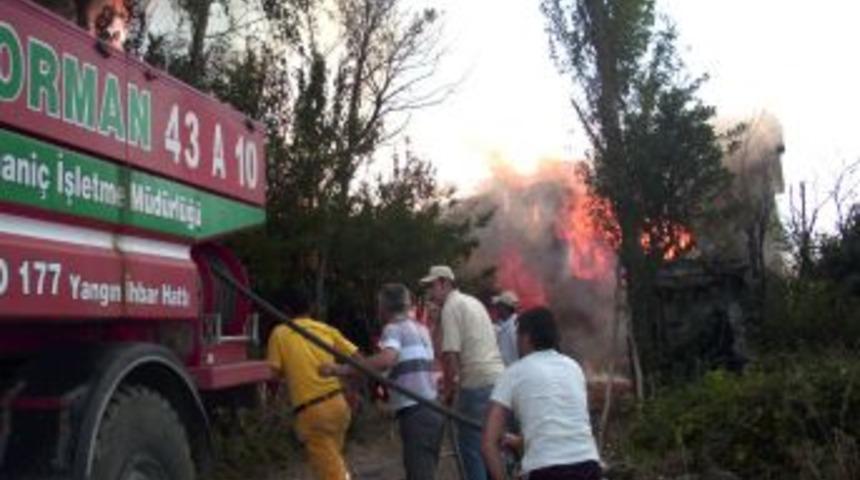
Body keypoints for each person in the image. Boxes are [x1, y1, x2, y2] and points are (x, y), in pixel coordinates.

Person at [321, 283, 445, 480]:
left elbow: (387, 359)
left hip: (416, 414)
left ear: (384, 307)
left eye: (378, 304)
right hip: (433, 410)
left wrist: (340, 369)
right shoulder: (421, 330)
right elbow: (396, 368)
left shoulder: (393, 329)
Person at [481, 307, 602, 480]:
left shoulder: (514, 373)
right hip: (588, 465)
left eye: (517, 335)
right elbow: (563, 427)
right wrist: (519, 441)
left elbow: (488, 443)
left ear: (526, 337)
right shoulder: (573, 368)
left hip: (545, 471)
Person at [420, 265, 504, 480]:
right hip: (498, 383)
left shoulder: (451, 307)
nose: (429, 292)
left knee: (471, 449)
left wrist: (449, 392)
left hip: (475, 385)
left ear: (444, 283)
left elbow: (451, 357)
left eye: (432, 286)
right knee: (492, 446)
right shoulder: (472, 302)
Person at [267, 288, 358, 480]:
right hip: (339, 406)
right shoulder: (325, 329)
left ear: (285, 309)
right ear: (311, 308)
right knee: (332, 463)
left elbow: (273, 374)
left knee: (332, 473)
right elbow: (359, 359)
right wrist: (348, 380)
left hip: (312, 413)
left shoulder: (280, 333)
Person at [491, 290, 520, 366]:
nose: (496, 309)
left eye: (498, 306)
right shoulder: (502, 326)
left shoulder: (515, 327)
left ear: (504, 307)